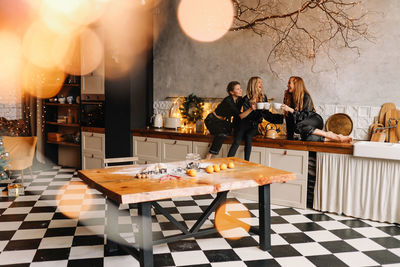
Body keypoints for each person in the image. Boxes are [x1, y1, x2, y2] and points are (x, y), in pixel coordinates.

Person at [281, 76, 352, 142]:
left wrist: (291, 110)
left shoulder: (305, 97)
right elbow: (289, 118)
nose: (287, 85)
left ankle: (328, 134)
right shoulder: (288, 98)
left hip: (314, 120)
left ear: (296, 85)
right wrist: (289, 137)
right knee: (305, 138)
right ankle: (330, 138)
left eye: (289, 83)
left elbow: (304, 116)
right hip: (303, 126)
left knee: (298, 126)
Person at [227, 77, 283, 161]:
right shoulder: (246, 98)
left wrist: (281, 118)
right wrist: (251, 109)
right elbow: (241, 116)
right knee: (237, 141)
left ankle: (247, 162)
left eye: (261, 82)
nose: (261, 84)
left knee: (248, 136)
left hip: (254, 125)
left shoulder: (263, 97)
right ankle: (227, 161)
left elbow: (266, 114)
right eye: (258, 82)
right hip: (244, 123)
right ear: (253, 85)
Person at [204, 81, 255, 159]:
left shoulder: (238, 99)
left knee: (231, 130)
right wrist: (251, 109)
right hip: (212, 120)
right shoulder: (228, 101)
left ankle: (211, 130)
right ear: (231, 92)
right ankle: (209, 154)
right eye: (237, 89)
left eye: (240, 88)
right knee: (222, 134)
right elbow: (240, 116)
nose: (241, 90)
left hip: (222, 122)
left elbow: (245, 99)